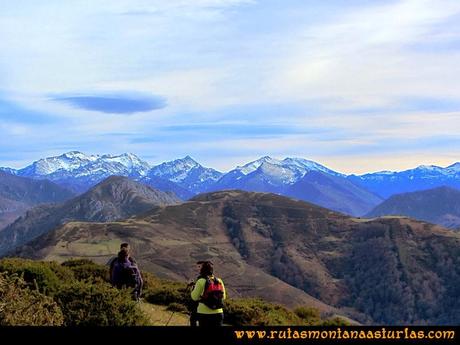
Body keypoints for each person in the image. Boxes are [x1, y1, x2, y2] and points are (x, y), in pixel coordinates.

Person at [190, 261, 226, 327]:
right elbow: (223, 297)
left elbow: (194, 297)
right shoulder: (219, 281)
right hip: (218, 313)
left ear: (202, 270)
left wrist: (193, 287)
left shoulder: (200, 281)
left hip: (204, 313)